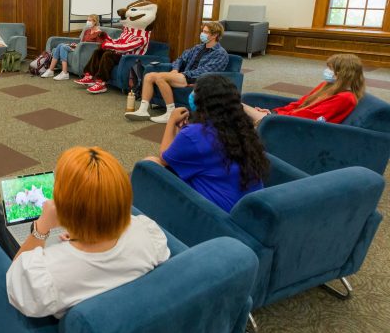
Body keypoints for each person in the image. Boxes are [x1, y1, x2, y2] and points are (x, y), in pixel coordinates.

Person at [6, 146, 170, 319]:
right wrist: (84, 233)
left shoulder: (47, 274)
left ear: (63, 208)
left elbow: (15, 284)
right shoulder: (147, 233)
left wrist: (41, 229)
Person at [143, 75, 269, 212]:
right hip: (246, 209)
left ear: (201, 101)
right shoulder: (243, 128)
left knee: (150, 163)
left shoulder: (195, 133)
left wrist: (171, 121)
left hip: (216, 213)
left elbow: (164, 158)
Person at [125, 21, 228, 123]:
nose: (202, 34)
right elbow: (181, 59)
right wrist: (175, 70)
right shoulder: (198, 48)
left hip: (198, 79)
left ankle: (170, 113)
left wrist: (182, 74)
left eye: (206, 32)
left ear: (215, 35)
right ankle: (143, 110)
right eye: (203, 31)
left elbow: (205, 72)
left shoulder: (220, 54)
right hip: (184, 76)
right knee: (149, 76)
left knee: (160, 77)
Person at [243, 53, 364, 125]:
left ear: (342, 73)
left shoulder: (346, 98)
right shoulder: (325, 86)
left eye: (331, 69)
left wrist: (275, 117)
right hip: (284, 118)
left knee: (236, 107)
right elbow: (300, 104)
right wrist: (274, 112)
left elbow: (310, 117)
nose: (327, 71)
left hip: (294, 126)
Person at [75, 0, 157, 94]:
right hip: (119, 54)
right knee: (98, 51)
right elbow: (117, 41)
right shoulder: (127, 32)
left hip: (128, 58)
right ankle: (89, 76)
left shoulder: (141, 37)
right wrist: (107, 38)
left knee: (107, 54)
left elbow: (124, 48)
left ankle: (101, 83)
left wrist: (108, 45)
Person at [41, 14, 107, 81]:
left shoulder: (99, 33)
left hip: (86, 51)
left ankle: (63, 72)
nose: (88, 22)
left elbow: (98, 45)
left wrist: (80, 46)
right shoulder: (87, 31)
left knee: (63, 47)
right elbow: (82, 41)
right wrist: (76, 45)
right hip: (79, 48)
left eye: (89, 20)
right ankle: (51, 70)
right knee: (60, 45)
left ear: (95, 22)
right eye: (87, 20)